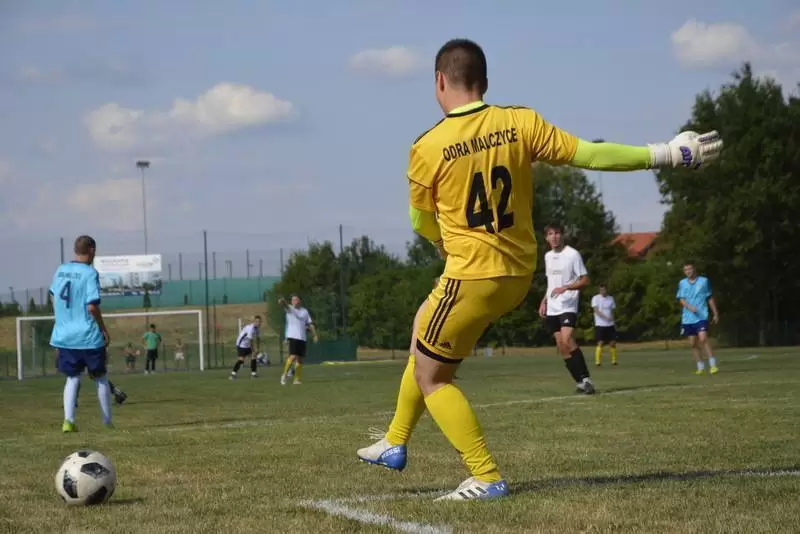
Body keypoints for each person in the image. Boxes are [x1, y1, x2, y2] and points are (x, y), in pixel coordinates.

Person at [356, 38, 723, 501]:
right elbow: (590, 154)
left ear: (439, 81)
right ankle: (394, 441)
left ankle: (485, 475)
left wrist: (440, 243)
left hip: (471, 274)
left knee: (432, 377)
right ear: (484, 82)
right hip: (517, 274)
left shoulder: (427, 146)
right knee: (422, 331)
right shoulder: (519, 122)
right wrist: (667, 153)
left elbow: (420, 220)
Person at [49, 235, 114, 432]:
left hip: (65, 335)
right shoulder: (89, 273)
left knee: (72, 377)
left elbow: (54, 296)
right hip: (87, 335)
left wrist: (61, 320)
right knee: (100, 377)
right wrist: (103, 328)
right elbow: (92, 306)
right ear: (92, 250)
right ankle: (107, 423)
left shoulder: (61, 270)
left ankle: (68, 421)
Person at [540, 224, 594, 393]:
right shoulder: (548, 256)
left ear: (562, 235)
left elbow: (585, 280)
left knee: (567, 339)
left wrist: (567, 288)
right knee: (561, 346)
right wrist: (544, 301)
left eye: (557, 233)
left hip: (568, 304)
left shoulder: (572, 254)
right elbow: (551, 284)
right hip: (552, 306)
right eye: (550, 234)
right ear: (546, 238)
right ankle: (579, 382)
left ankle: (586, 379)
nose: (554, 237)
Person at [677, 262, 720, 374]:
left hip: (702, 315)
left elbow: (709, 297)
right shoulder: (682, 283)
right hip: (688, 318)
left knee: (703, 338)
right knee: (693, 343)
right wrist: (689, 307)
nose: (688, 271)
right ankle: (700, 366)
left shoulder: (704, 281)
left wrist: (715, 313)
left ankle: (713, 365)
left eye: (690, 269)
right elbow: (681, 299)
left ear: (694, 269)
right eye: (686, 270)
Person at [279, 295, 318, 385]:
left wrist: (315, 335)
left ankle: (297, 379)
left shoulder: (305, 311)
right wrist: (283, 300)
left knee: (300, 359)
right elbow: (285, 305)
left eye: (296, 299)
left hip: (302, 337)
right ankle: (284, 375)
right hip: (293, 336)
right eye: (292, 300)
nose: (294, 301)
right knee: (293, 356)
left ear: (299, 301)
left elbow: (310, 324)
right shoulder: (290, 309)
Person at [591, 284, 618, 366]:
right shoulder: (595, 298)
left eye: (604, 290)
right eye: (601, 290)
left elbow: (612, 311)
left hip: (610, 324)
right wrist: (605, 317)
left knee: (613, 343)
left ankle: (614, 361)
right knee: (600, 342)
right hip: (600, 324)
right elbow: (596, 310)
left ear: (606, 290)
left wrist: (613, 320)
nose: (602, 291)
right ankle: (598, 362)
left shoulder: (611, 298)